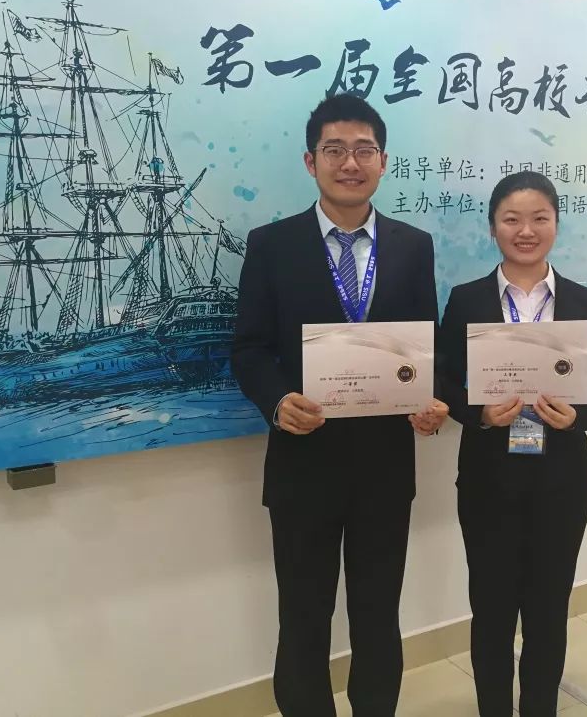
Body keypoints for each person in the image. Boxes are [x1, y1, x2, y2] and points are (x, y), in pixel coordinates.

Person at [232, 93, 449, 717]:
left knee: (379, 616)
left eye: (363, 150)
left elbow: (423, 343)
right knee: (303, 617)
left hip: (385, 466)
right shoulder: (271, 245)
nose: (349, 163)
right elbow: (248, 348)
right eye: (334, 150)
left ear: (383, 161)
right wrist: (277, 400)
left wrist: (430, 398)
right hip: (303, 465)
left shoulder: (412, 246)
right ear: (311, 161)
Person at [438, 170, 587, 717]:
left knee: (548, 612)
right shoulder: (467, 300)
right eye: (511, 219)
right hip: (488, 481)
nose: (526, 230)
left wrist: (576, 417)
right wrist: (477, 413)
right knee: (491, 613)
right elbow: (442, 381)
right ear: (492, 227)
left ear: (556, 225)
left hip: (561, 482)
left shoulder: (582, 300)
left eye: (539, 218)